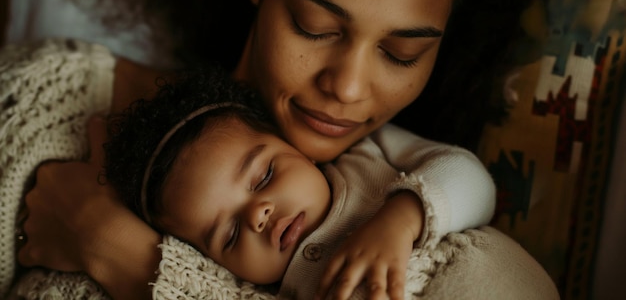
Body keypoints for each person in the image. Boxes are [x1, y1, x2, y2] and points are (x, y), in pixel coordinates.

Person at [12, 0, 557, 299]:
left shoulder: (391, 170)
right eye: (314, 25)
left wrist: (117, 249)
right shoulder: (46, 101)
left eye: (402, 53)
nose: (346, 88)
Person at [101, 69, 496, 299]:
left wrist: (400, 221)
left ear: (297, 145)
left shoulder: (367, 157)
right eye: (231, 235)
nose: (259, 215)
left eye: (265, 175)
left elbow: (475, 180)